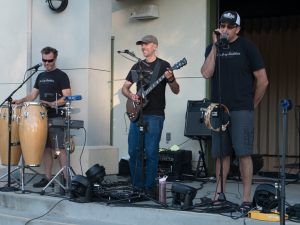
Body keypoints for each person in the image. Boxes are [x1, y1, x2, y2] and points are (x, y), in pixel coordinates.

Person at [200, 11, 268, 211]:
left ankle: (246, 198)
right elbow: (206, 73)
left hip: (241, 109)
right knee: (221, 154)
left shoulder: (247, 47)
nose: (225, 29)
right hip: (219, 109)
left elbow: (263, 80)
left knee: (244, 153)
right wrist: (214, 46)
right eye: (222, 25)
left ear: (237, 28)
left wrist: (251, 105)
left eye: (230, 26)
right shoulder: (212, 48)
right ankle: (218, 195)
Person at [122, 35, 180, 193]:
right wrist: (131, 96)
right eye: (142, 45)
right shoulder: (137, 66)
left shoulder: (164, 66)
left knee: (151, 151)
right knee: (134, 150)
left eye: (146, 44)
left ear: (155, 46)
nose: (143, 47)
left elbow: (176, 90)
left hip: (155, 114)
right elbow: (125, 88)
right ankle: (137, 186)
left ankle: (149, 187)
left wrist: (171, 78)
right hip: (137, 113)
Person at [14, 46, 71, 188]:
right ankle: (47, 178)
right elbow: (33, 95)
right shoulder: (40, 76)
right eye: (44, 60)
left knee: (59, 148)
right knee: (45, 148)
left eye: (49, 60)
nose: (46, 63)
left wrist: (51, 104)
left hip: (57, 116)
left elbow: (67, 97)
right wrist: (20, 100)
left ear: (55, 59)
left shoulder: (61, 76)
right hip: (41, 118)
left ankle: (66, 179)